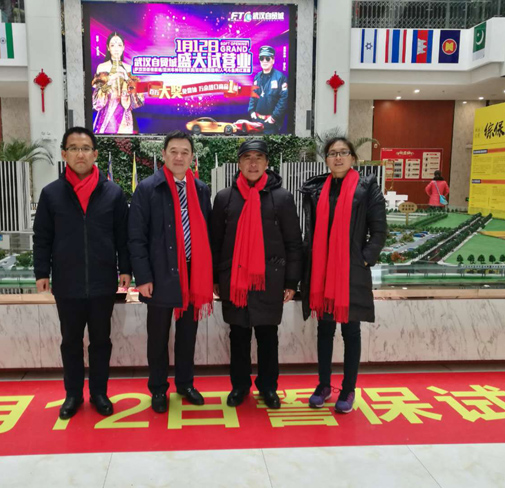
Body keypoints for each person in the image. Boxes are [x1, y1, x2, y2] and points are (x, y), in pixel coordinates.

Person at [33, 127, 131, 420]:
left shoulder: (113, 193)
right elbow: (42, 237)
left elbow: (123, 237)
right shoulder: (51, 194)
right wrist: (42, 271)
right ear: (64, 154)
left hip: (103, 282)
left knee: (101, 341)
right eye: (74, 148)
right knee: (70, 342)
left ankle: (99, 393)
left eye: (86, 148)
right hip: (67, 283)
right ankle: (73, 395)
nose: (80, 154)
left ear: (95, 154)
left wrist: (126, 269)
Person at [210, 140, 302, 409]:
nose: (253, 163)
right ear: (239, 163)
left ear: (266, 163)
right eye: (247, 157)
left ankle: (268, 386)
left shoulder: (281, 198)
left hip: (269, 279)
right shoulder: (225, 198)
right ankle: (239, 386)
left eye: (258, 157)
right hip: (234, 279)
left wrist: (291, 281)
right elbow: (215, 242)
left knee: (267, 335)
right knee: (238, 335)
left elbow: (293, 242)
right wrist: (215, 277)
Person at [128, 130, 214, 413]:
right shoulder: (147, 189)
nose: (179, 157)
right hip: (160, 274)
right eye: (173, 151)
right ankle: (157, 388)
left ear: (192, 157)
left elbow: (208, 233)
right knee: (158, 336)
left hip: (193, 274)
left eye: (185, 152)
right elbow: (136, 237)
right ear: (163, 154)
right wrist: (143, 277)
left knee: (188, 334)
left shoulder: (200, 189)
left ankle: (186, 383)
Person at [299, 137, 386, 414]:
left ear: (353, 158)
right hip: (322, 270)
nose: (338, 158)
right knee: (324, 329)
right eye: (332, 153)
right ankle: (323, 385)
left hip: (351, 272)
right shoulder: (317, 190)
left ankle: (348, 390)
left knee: (351, 330)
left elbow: (379, 231)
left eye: (343, 153)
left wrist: (363, 259)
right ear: (326, 159)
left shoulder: (367, 188)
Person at [92, 32, 144, 134]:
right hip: (107, 115)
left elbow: (137, 101)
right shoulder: (102, 67)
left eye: (119, 45)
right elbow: (97, 102)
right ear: (108, 48)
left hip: (124, 116)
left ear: (123, 47)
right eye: (112, 45)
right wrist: (109, 81)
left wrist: (127, 80)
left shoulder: (128, 69)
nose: (116, 48)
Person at [247, 46, 288, 135]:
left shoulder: (280, 77)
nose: (264, 61)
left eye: (267, 58)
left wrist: (274, 117)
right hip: (256, 122)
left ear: (273, 60)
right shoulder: (257, 77)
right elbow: (253, 95)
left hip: (271, 124)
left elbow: (283, 100)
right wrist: (251, 111)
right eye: (262, 58)